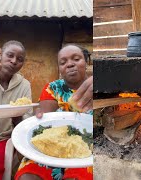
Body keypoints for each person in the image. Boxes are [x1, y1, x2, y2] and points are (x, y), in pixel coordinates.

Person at [15, 44, 93, 180]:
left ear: (87, 62)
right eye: (63, 62)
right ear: (60, 69)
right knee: (28, 176)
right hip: (51, 146)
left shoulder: (97, 86)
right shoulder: (52, 88)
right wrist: (38, 118)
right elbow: (45, 124)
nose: (69, 64)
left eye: (76, 59)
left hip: (88, 150)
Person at [0, 41, 32, 179]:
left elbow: (27, 118)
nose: (14, 61)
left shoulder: (24, 85)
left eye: (20, 59)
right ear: (1, 56)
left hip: (4, 139)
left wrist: (18, 116)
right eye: (10, 55)